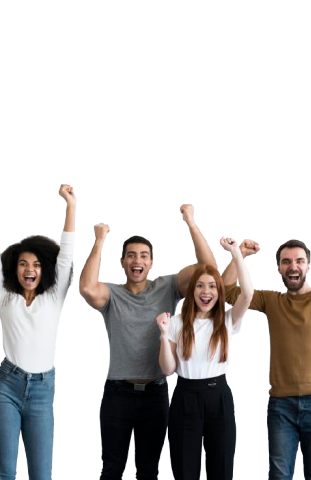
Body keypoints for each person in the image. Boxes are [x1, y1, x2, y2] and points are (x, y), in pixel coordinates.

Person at [79, 204, 218, 480]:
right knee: (111, 468)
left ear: (151, 263)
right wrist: (98, 242)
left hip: (156, 393)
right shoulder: (112, 293)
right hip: (117, 393)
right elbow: (86, 287)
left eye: (143, 256)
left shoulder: (167, 286)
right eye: (131, 255)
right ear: (122, 262)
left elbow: (209, 269)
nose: (137, 260)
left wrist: (190, 222)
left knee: (148, 470)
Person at [221, 220, 311, 480]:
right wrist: (238, 255)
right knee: (278, 474)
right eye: (286, 261)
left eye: (299, 260)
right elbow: (228, 291)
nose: (293, 266)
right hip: (281, 405)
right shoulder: (272, 301)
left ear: (308, 266)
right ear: (279, 268)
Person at [0, 179, 76, 480]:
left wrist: (70, 205)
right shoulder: (5, 295)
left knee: (41, 474)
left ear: (43, 269)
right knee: (6, 473)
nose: (29, 269)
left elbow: (66, 256)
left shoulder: (54, 296)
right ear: (16, 268)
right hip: (7, 387)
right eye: (23, 264)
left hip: (42, 389)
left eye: (35, 264)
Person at [156, 237, 253, 480]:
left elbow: (248, 293)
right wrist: (162, 334)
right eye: (200, 286)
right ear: (192, 291)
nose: (206, 292)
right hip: (185, 395)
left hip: (218, 395)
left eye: (212, 286)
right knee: (184, 467)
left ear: (218, 292)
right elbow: (168, 369)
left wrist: (235, 253)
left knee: (221, 468)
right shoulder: (176, 323)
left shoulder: (226, 320)